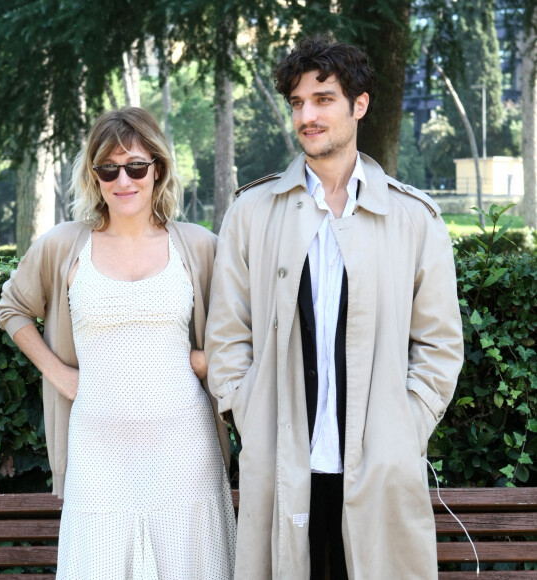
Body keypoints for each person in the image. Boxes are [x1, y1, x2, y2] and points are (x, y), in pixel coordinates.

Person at [205, 37, 463, 580]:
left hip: (380, 466)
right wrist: (248, 411)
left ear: (359, 105)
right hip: (282, 460)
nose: (307, 115)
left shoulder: (414, 218)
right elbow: (227, 335)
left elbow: (439, 346)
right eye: (298, 103)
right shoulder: (253, 212)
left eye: (323, 99)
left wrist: (404, 430)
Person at [0, 107, 236, 580]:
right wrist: (59, 373)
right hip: (98, 451)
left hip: (185, 449)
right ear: (94, 175)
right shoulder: (63, 246)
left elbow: (244, 328)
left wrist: (211, 360)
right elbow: (12, 309)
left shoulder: (199, 246)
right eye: (108, 168)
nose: (122, 180)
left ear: (158, 169)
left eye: (136, 166)